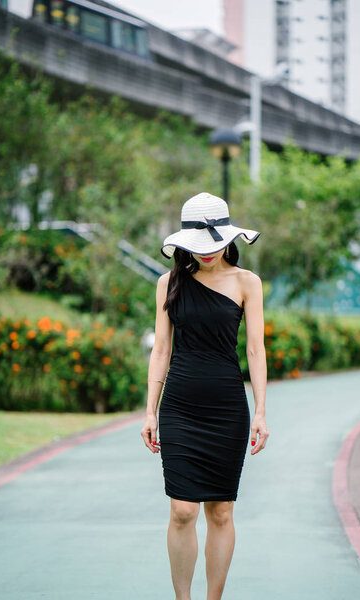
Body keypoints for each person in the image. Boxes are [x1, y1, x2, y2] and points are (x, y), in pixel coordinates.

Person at [141, 191, 268, 600]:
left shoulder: (247, 283)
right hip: (179, 406)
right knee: (182, 511)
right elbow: (161, 349)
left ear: (227, 240)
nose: (207, 254)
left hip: (228, 408)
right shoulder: (169, 283)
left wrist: (261, 412)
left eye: (213, 246)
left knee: (221, 510)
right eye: (199, 247)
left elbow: (255, 349)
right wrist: (150, 412)